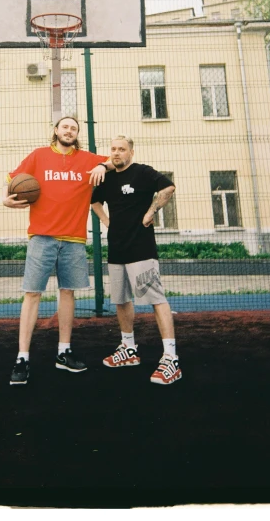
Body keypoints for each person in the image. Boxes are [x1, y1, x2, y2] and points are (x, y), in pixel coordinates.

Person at [3, 116, 113, 385]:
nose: (69, 131)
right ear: (56, 131)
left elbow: (115, 160)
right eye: (65, 126)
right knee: (32, 294)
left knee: (68, 294)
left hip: (74, 238)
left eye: (74, 128)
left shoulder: (86, 159)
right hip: (41, 237)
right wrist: (6, 199)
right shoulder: (39, 156)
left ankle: (64, 352)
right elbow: (15, 181)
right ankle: (22, 357)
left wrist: (101, 164)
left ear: (77, 134)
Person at [91, 135, 182, 385]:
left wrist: (151, 212)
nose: (117, 153)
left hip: (141, 247)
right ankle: (129, 349)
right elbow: (95, 202)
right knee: (121, 299)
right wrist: (108, 222)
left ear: (131, 152)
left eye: (122, 149)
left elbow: (168, 188)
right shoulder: (107, 177)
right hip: (117, 249)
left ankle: (171, 358)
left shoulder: (143, 173)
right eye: (113, 149)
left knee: (155, 299)